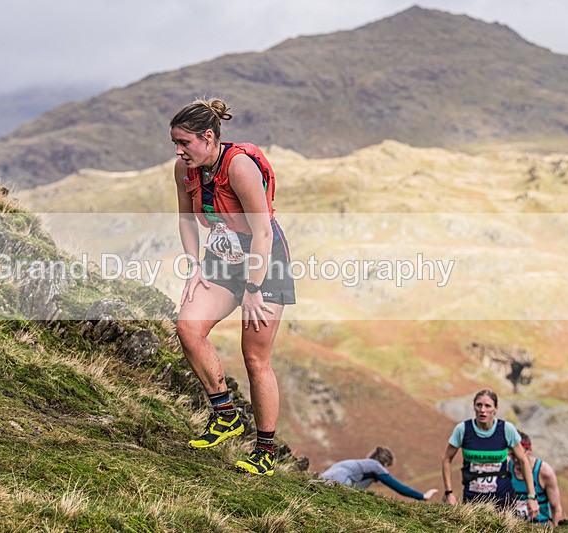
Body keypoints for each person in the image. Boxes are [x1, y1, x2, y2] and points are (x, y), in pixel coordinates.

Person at [170, 98, 296, 476]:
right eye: (174, 143)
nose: (178, 150)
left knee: (255, 357)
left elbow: (261, 232)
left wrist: (253, 289)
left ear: (208, 137)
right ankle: (225, 416)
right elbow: (186, 220)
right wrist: (194, 267)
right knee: (188, 327)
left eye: (184, 142)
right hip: (222, 256)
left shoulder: (239, 167)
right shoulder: (184, 169)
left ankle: (265, 452)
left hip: (264, 260)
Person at [441, 389, 540, 519]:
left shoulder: (506, 429)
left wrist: (532, 497)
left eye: (488, 406)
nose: (483, 410)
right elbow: (447, 459)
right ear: (474, 407)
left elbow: (523, 461)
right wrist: (449, 492)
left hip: (503, 499)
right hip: (473, 499)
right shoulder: (463, 430)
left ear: (495, 409)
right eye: (479, 405)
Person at [319, 446, 439, 501]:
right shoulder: (376, 466)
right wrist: (422, 496)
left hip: (324, 478)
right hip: (339, 482)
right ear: (385, 464)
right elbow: (398, 487)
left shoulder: (362, 464)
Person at [510, 431, 563, 526]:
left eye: (521, 454)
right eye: (513, 455)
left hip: (539, 527)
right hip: (513, 527)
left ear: (530, 450)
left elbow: (556, 508)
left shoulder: (544, 472)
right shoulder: (506, 468)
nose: (517, 459)